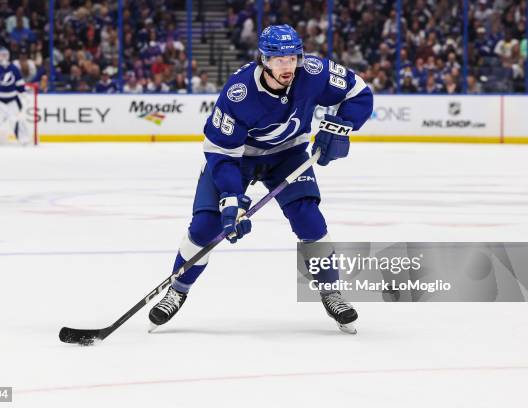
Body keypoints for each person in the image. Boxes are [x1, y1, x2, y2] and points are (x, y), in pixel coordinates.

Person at [149, 25, 373, 333]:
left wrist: (341, 125)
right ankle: (178, 288)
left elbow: (358, 92)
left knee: (309, 219)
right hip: (238, 159)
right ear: (263, 60)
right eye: (279, 60)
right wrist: (230, 199)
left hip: (288, 154)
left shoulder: (313, 71)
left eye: (292, 57)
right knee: (206, 226)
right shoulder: (238, 93)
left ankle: (331, 290)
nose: (288, 66)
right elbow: (221, 153)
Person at [0, 48, 31, 146]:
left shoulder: (14, 68)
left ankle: (24, 139)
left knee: (15, 120)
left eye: (5, 55)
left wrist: (24, 93)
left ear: (8, 56)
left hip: (12, 101)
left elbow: (19, 83)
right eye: (1, 55)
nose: (3, 57)